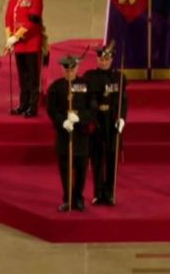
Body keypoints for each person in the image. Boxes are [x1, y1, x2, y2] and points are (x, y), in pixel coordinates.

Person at [47, 55, 94, 212]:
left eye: (72, 69)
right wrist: (63, 122)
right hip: (64, 134)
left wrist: (79, 117)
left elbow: (92, 109)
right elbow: (52, 110)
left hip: (81, 134)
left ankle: (78, 198)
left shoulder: (86, 85)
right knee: (65, 169)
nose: (69, 72)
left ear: (77, 69)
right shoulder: (55, 87)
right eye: (66, 69)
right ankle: (67, 199)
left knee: (81, 169)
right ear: (62, 69)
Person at [84, 44, 128, 206]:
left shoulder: (119, 77)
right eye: (101, 59)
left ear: (112, 60)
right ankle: (98, 192)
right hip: (97, 121)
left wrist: (122, 118)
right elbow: (87, 99)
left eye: (107, 59)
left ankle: (109, 192)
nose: (103, 62)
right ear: (97, 59)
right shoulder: (89, 76)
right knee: (96, 158)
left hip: (112, 121)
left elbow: (123, 101)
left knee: (111, 158)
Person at [1, 0, 44, 117]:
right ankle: (23, 103)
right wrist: (9, 38)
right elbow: (8, 19)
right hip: (18, 44)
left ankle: (33, 106)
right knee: (22, 77)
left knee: (33, 78)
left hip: (31, 43)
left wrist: (16, 37)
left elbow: (33, 23)